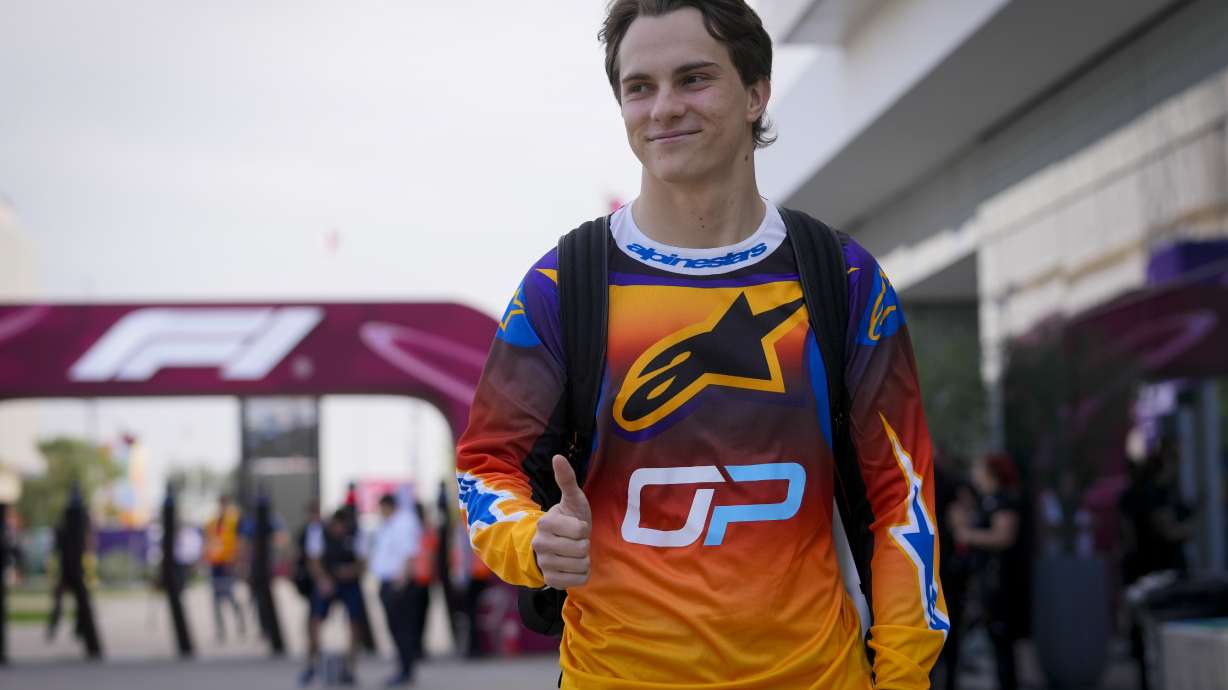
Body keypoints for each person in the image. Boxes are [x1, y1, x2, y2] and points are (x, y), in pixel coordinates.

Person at [454, 1, 947, 687]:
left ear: (756, 93)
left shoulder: (845, 278)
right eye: (639, 87)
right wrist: (529, 540)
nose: (663, 108)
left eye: (693, 79)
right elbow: (484, 466)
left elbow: (904, 501)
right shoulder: (563, 284)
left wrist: (900, 678)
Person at [951, 453, 1026, 690]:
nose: (975, 474)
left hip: (1001, 583)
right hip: (985, 581)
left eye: (979, 469)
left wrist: (968, 535)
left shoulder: (1004, 500)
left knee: (1003, 644)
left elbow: (1004, 536)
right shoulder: (985, 500)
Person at [300, 508, 367, 687]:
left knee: (355, 623)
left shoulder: (357, 533)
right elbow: (313, 561)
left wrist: (350, 571)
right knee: (314, 622)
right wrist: (323, 580)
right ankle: (311, 665)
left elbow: (363, 562)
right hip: (327, 580)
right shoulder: (319, 532)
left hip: (349, 582)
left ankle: (350, 668)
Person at [369, 493, 422, 687]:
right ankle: (402, 667)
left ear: (389, 506)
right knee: (394, 628)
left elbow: (408, 553)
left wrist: (402, 581)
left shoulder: (403, 523)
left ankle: (406, 670)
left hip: (398, 583)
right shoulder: (389, 523)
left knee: (402, 629)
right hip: (388, 581)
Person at [204, 494, 246, 642]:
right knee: (215, 599)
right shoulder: (212, 522)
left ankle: (240, 623)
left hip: (229, 563)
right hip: (215, 563)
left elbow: (239, 541)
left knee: (229, 595)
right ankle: (220, 630)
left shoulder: (234, 520)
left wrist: (238, 561)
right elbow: (209, 541)